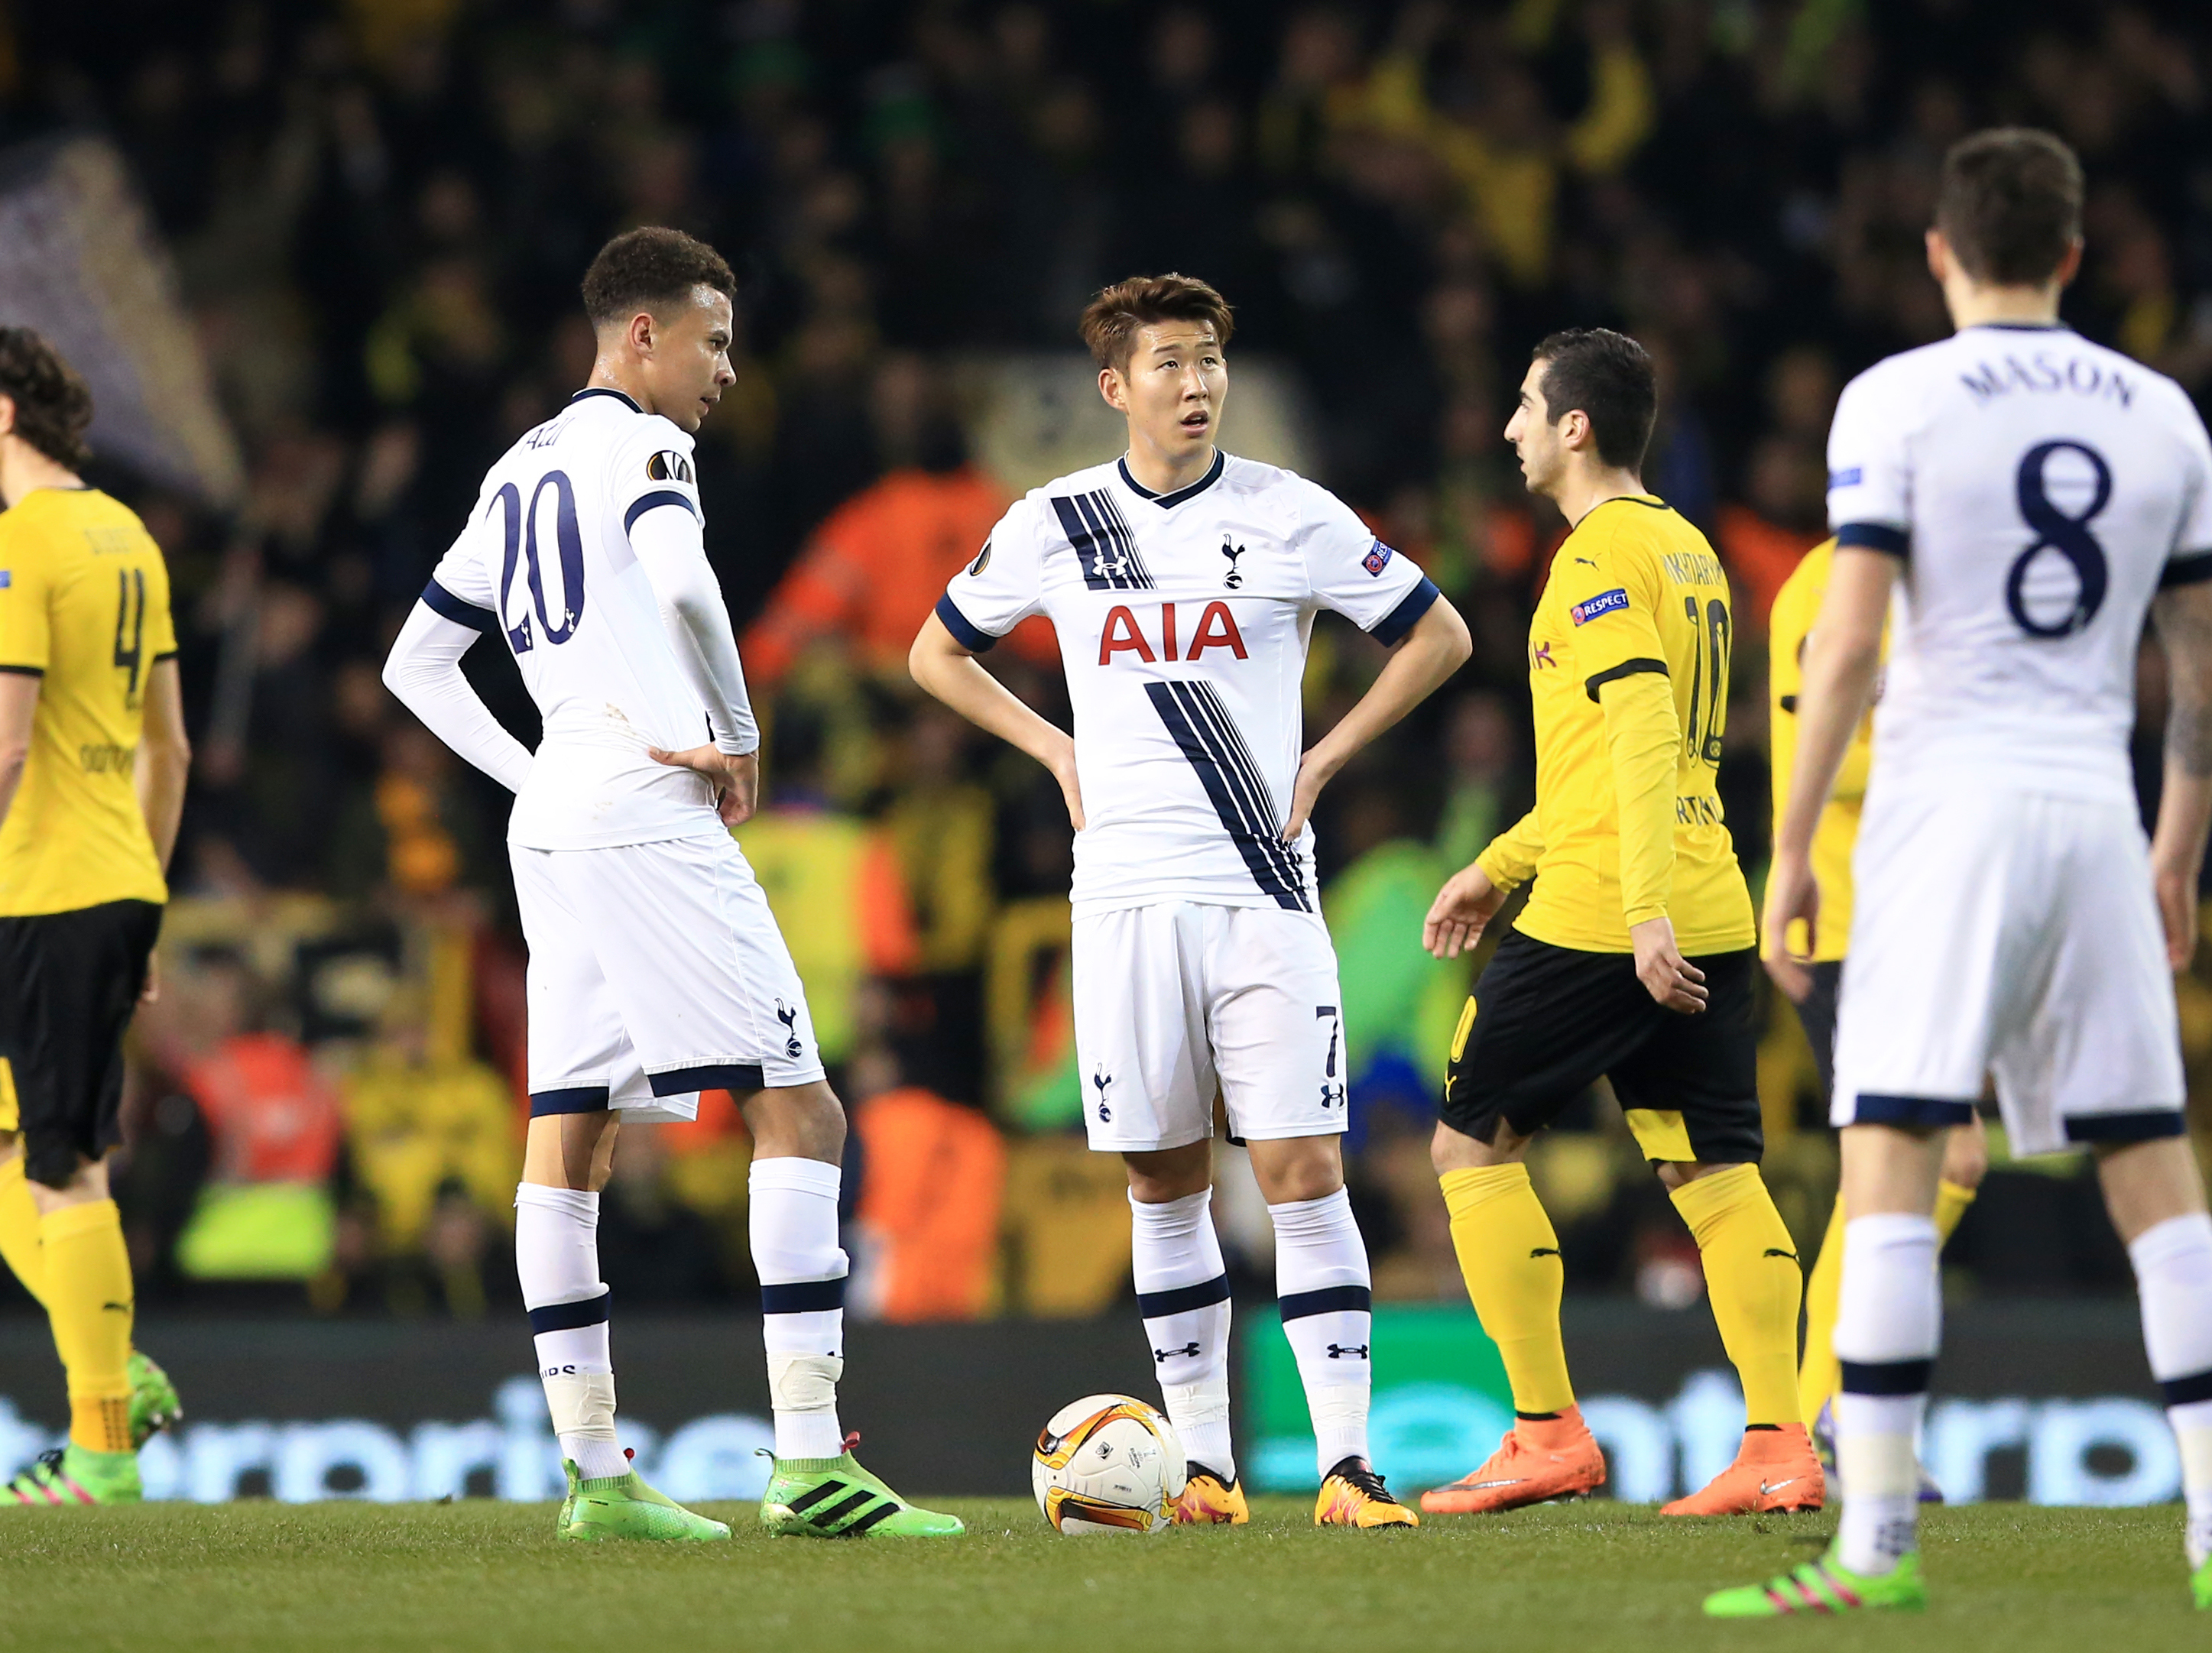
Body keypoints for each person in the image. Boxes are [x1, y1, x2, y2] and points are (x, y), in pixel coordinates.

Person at [1711, 130, 2212, 1616]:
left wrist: (1788, 852)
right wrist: (2177, 853)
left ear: (1942, 252)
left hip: (1940, 818)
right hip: (2092, 807)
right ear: (2075, 256)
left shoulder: (1890, 399)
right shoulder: (2162, 415)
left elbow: (1846, 644)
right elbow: (2202, 672)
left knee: (1889, 1165)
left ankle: (1873, 1550)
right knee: (2157, 1176)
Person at [383, 227, 959, 1543]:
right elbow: (688, 581)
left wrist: (528, 770)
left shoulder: (516, 465)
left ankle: (593, 1472)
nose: (728, 371)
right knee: (802, 1116)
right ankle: (811, 1461)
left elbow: (415, 664)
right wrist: (739, 732)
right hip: (648, 806)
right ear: (642, 335)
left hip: (556, 824)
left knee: (568, 1130)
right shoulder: (649, 448)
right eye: (712, 340)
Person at [910, 272, 1470, 1529]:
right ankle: (1207, 1469)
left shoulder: (1292, 514)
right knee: (1161, 1184)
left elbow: (1437, 634)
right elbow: (933, 650)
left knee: (1301, 1165)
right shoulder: (1055, 521)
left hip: (1262, 893)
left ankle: (1345, 1466)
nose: (1198, 382)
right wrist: (1051, 748)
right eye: (1168, 362)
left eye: (1210, 359)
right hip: (1121, 896)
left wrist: (1327, 753)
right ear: (1114, 387)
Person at [1417, 329, 1821, 1520]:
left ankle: (1545, 1429)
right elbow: (1626, 761)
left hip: (1610, 911)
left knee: (1468, 1146)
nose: (1510, 430)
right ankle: (1778, 1442)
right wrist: (1500, 860)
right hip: (1707, 892)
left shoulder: (1594, 557)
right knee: (1714, 1170)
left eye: (1525, 408)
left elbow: (1641, 732)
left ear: (1575, 425)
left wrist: (1635, 910)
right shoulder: (1688, 550)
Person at [0, 328, 190, 1507]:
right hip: (109, 879)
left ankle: (103, 1448)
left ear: (6, 412)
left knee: (66, 1163)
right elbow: (164, 746)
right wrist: (151, 898)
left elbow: (2, 742)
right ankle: (110, 1364)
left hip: (54, 887)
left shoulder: (10, 547)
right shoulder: (127, 535)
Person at [1767, 539, 1989, 1473]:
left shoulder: (1927, 582)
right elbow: (1827, 745)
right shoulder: (1832, 582)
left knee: (1906, 1169)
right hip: (1846, 921)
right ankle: (1837, 1409)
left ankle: (1833, 1412)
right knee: (1920, 1163)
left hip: (1906, 925)